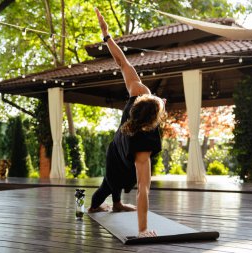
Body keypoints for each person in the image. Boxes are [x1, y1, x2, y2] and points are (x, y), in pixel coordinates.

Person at [88, 8, 167, 238]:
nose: (161, 101)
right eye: (160, 104)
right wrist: (143, 230)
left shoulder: (137, 91)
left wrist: (107, 36)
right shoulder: (143, 147)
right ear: (151, 121)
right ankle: (96, 206)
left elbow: (122, 62)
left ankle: (118, 204)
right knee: (108, 185)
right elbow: (143, 190)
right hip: (117, 152)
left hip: (121, 146)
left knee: (123, 181)